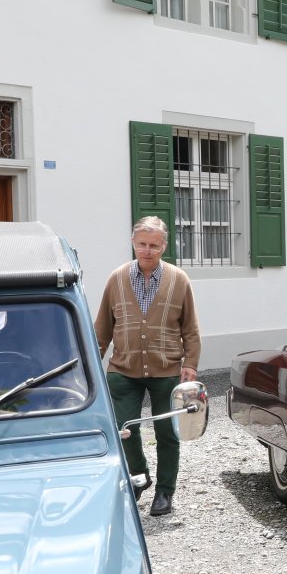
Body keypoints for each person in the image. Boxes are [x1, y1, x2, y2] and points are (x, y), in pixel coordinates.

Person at [95, 217, 201, 517]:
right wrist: (92, 363)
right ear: (133, 242)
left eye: (154, 245)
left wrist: (190, 364)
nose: (147, 250)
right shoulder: (116, 279)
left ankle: (165, 491)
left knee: (167, 432)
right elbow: (102, 328)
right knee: (123, 429)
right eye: (142, 244)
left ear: (164, 246)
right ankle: (139, 476)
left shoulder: (178, 279)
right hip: (122, 369)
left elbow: (190, 328)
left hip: (166, 370)